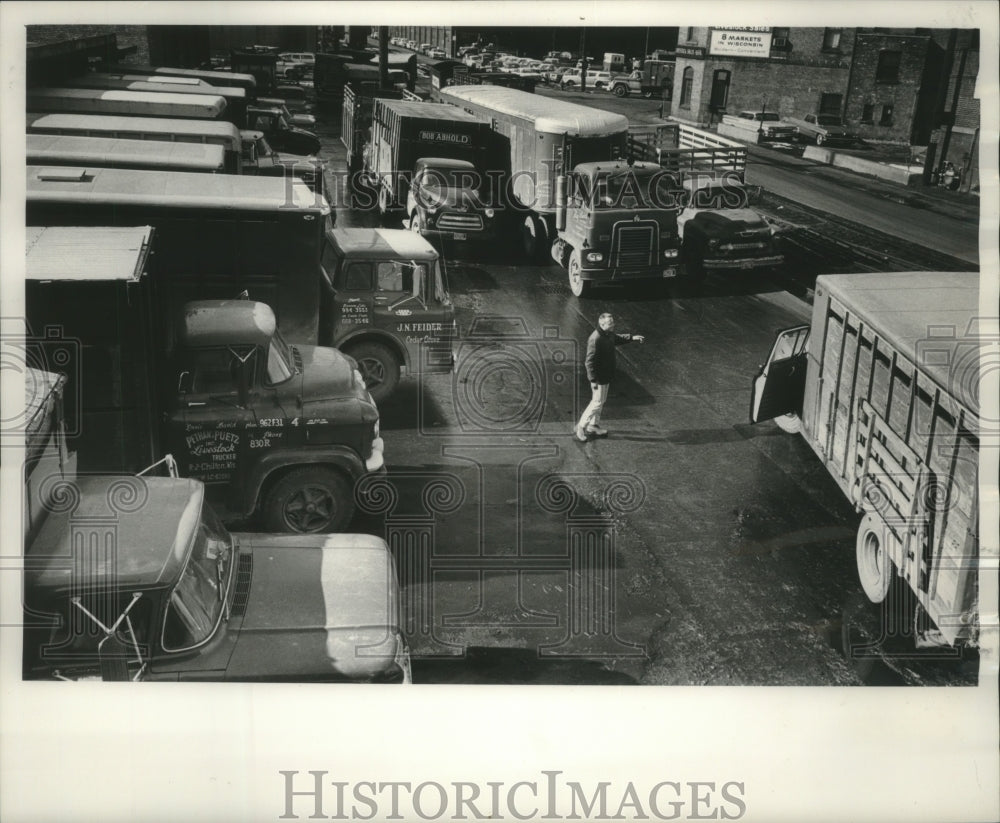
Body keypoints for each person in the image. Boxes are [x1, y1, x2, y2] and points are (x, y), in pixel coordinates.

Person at [575, 313, 644, 441]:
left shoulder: (608, 333)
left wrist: (632, 337)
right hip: (599, 377)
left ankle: (593, 426)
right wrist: (592, 380)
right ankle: (581, 427)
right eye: (610, 323)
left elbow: (616, 338)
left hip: (606, 375)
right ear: (602, 324)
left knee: (600, 402)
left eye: (613, 322)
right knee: (596, 403)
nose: (613, 325)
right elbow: (589, 362)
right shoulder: (595, 339)